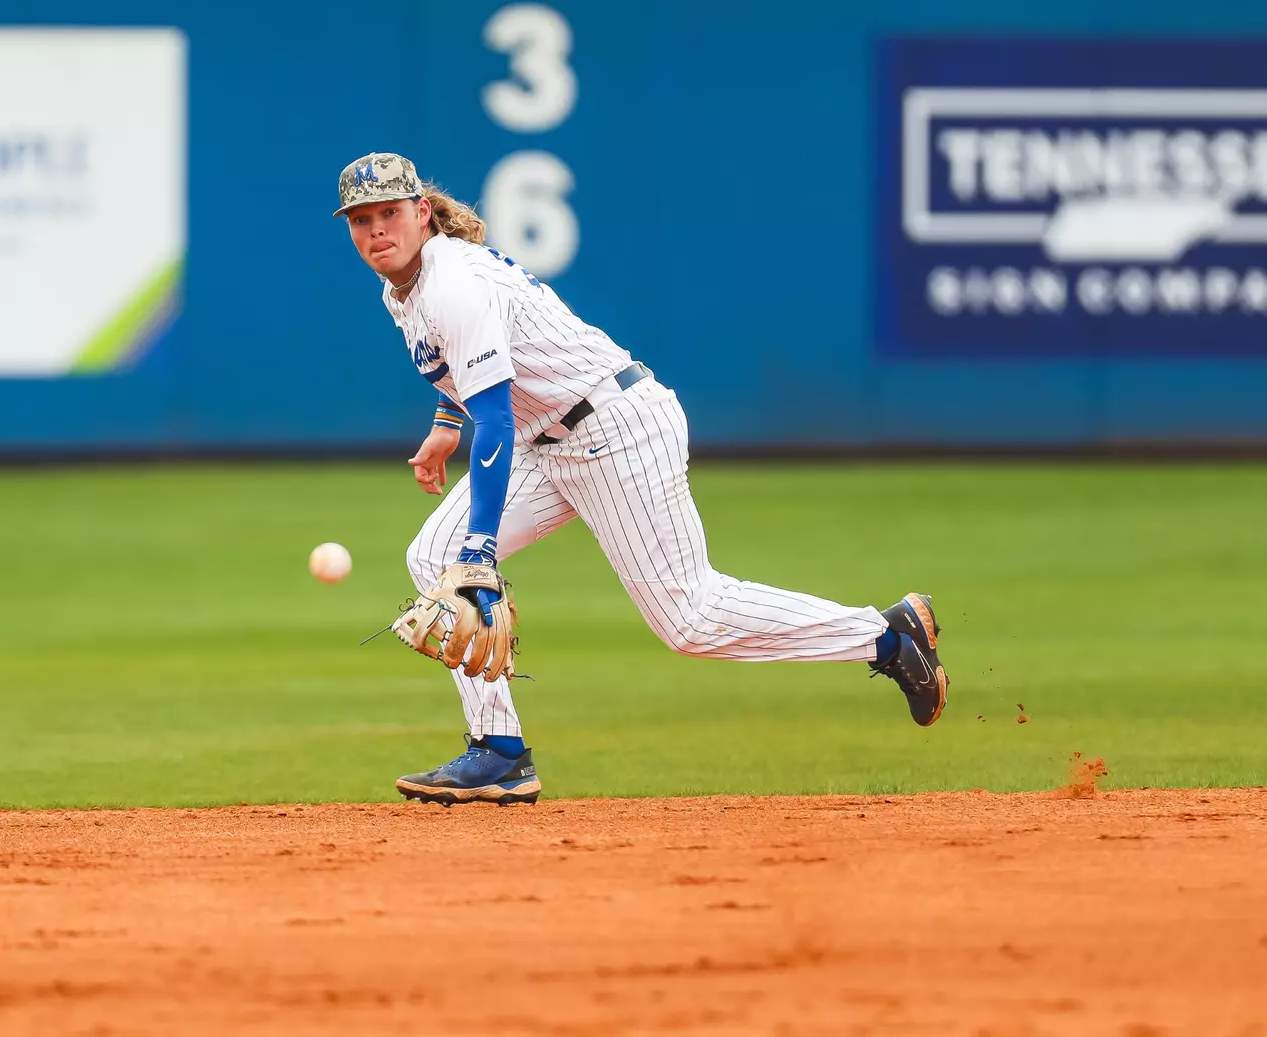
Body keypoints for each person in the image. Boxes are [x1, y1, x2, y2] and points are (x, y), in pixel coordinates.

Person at [334, 152, 947, 806]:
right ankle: (498, 752)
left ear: (422, 213)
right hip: (552, 442)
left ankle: (885, 636)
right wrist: (443, 423)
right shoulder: (403, 283)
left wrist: (481, 550)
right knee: (433, 556)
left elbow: (496, 421)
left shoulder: (453, 280)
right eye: (362, 219)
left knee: (691, 620)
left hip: (616, 429)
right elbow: (472, 370)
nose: (377, 231)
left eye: (390, 214)